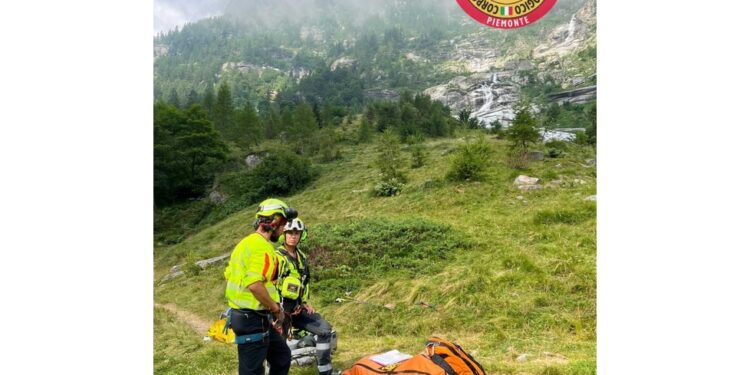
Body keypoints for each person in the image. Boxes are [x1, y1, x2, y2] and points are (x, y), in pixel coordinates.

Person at [224, 198, 298, 375]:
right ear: (275, 221)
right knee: (252, 371)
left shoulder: (246, 243)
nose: (283, 232)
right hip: (252, 319)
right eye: (283, 226)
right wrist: (275, 309)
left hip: (253, 316)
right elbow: (254, 285)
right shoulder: (262, 248)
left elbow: (229, 273)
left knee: (281, 357)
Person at [275, 218, 338, 375]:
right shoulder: (277, 256)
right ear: (284, 234)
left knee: (324, 331)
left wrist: (303, 302)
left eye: (297, 233)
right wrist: (274, 309)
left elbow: (303, 282)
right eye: (289, 232)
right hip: (279, 311)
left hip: (297, 308)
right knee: (278, 349)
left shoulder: (301, 257)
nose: (293, 236)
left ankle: (326, 372)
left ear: (301, 235)